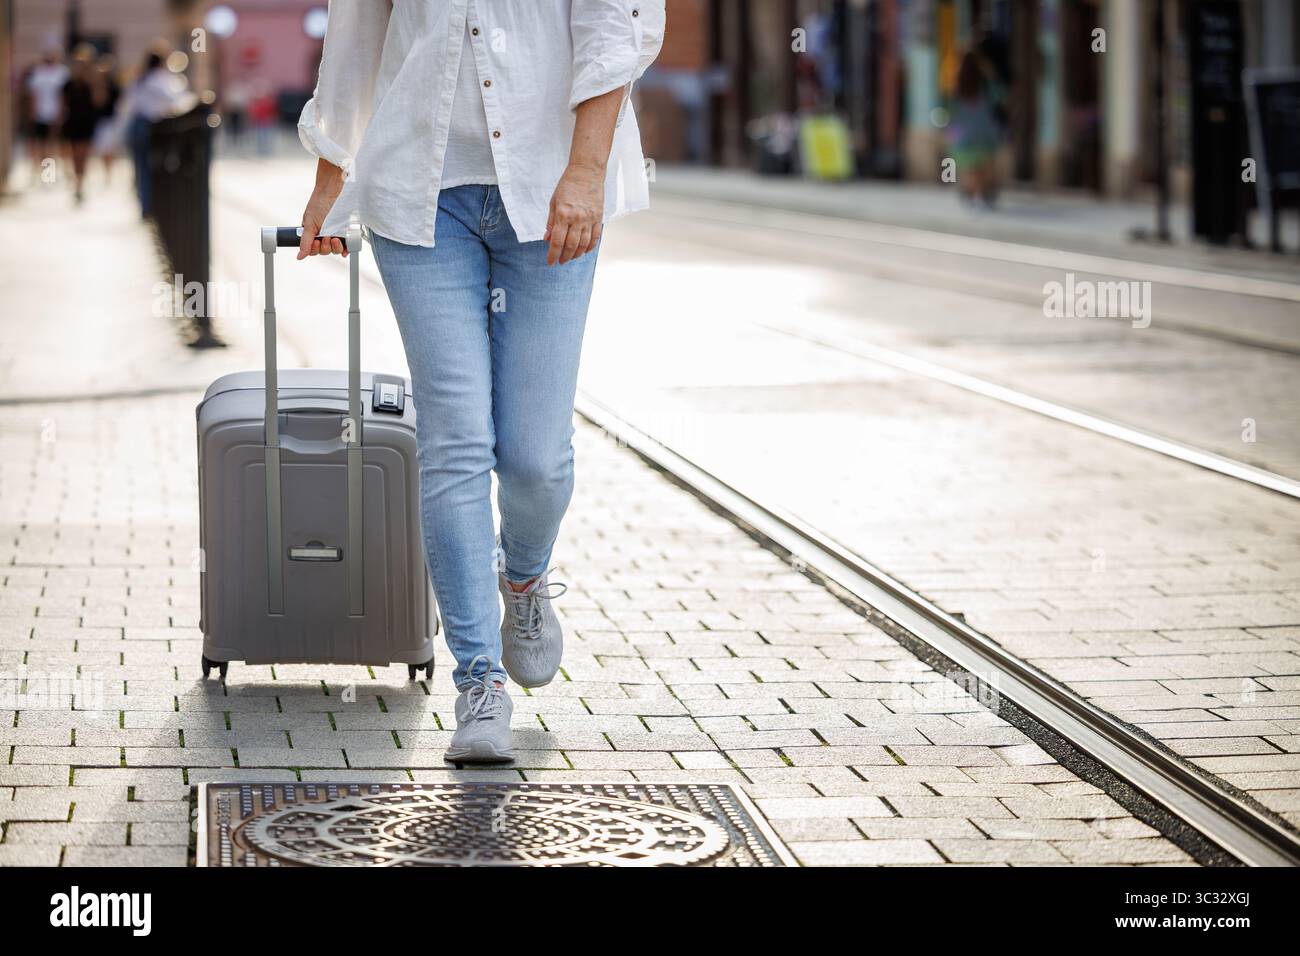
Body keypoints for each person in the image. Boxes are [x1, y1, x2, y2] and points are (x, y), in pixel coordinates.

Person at [297, 0, 665, 763]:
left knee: (534, 456)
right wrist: (331, 170)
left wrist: (588, 171)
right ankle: (478, 683)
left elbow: (615, 27)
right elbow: (358, 30)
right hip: (418, 192)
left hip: (552, 187)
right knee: (455, 438)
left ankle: (523, 582)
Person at [949, 48, 1003, 206]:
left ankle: (971, 195)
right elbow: (999, 97)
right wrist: (991, 74)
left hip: (964, 137)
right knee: (984, 170)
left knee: (969, 170)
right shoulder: (985, 86)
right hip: (984, 134)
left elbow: (951, 112)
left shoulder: (957, 87)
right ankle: (983, 196)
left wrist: (951, 134)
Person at [61, 45, 100, 203]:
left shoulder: (91, 83)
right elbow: (63, 104)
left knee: (83, 155)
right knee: (73, 155)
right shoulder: (68, 84)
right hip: (73, 122)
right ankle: (77, 182)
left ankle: (80, 183)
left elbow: (99, 101)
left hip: (86, 122)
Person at [26, 48, 69, 183]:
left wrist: (61, 112)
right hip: (40, 114)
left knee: (54, 144)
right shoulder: (38, 72)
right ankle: (42, 172)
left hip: (55, 113)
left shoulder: (62, 72)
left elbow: (64, 95)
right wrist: (33, 111)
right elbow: (34, 94)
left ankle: (51, 173)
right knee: (41, 144)